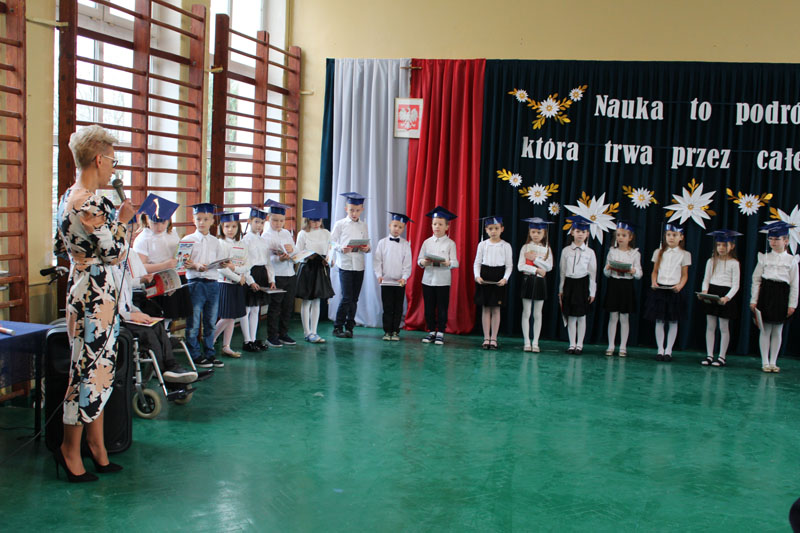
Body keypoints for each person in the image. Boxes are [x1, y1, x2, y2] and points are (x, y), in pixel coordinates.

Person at [53, 124, 135, 482]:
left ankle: (97, 447)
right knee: (88, 371)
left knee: (96, 369)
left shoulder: (68, 197)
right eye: (113, 161)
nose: (114, 169)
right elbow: (115, 253)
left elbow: (62, 247)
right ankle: (71, 450)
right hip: (95, 294)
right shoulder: (92, 201)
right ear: (99, 159)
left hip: (84, 287)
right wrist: (125, 222)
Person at [132, 193, 190, 331]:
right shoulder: (143, 239)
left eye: (163, 223)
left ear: (169, 221)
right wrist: (165, 265)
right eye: (155, 223)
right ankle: (161, 338)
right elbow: (141, 267)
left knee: (171, 314)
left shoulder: (172, 233)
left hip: (173, 278)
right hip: (154, 281)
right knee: (159, 315)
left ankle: (167, 336)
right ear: (147, 220)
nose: (159, 227)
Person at [183, 203, 228, 369]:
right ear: (193, 220)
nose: (202, 222)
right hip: (196, 284)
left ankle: (210, 353)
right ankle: (195, 354)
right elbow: (182, 262)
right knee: (194, 322)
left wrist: (225, 264)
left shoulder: (215, 241)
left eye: (206, 219)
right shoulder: (188, 240)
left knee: (210, 321)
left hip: (213, 284)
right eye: (199, 219)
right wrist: (195, 265)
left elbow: (220, 261)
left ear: (212, 221)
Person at [750, 221, 798, 373]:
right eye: (771, 239)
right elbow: (756, 280)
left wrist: (792, 304)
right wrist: (754, 299)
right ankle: (765, 362)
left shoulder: (791, 260)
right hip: (766, 294)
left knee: (777, 330)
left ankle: (773, 362)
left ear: (786, 241)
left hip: (781, 295)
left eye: (777, 239)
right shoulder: (764, 258)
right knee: (765, 329)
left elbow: (795, 284)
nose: (773, 242)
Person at [643, 223, 692, 362]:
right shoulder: (658, 252)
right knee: (659, 320)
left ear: (681, 237)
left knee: (673, 321)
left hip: (674, 290)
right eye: (668, 235)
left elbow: (685, 275)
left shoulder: (685, 254)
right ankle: (660, 349)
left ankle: (669, 350)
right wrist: (654, 282)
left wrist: (680, 286)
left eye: (674, 235)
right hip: (660, 290)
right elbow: (655, 271)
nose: (671, 237)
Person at [213, 212, 258, 358]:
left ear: (238, 227)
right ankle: (210, 340)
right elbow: (221, 268)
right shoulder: (220, 243)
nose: (230, 229)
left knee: (232, 317)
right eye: (227, 226)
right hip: (225, 283)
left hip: (239, 283)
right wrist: (238, 277)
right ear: (221, 227)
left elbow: (247, 265)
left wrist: (236, 270)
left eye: (233, 226)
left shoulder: (242, 244)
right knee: (226, 316)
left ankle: (226, 346)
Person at [697, 230, 741, 367]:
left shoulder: (734, 263)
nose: (721, 248)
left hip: (725, 295)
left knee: (723, 327)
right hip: (712, 293)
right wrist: (705, 291)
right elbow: (706, 279)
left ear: (732, 246)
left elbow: (736, 285)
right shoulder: (711, 261)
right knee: (710, 326)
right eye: (719, 245)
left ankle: (722, 356)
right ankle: (709, 355)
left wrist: (727, 297)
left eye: (725, 245)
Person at [330, 192, 370, 338]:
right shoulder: (340, 224)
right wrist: (341, 248)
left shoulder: (364, 225)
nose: (354, 213)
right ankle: (337, 326)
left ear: (362, 210)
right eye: (351, 210)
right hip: (345, 265)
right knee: (346, 297)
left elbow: (368, 244)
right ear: (346, 208)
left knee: (354, 299)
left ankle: (349, 327)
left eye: (357, 210)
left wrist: (367, 248)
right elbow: (331, 241)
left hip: (359, 266)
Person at [417, 206, 459, 345]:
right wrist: (423, 262)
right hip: (427, 280)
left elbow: (455, 262)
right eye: (435, 224)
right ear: (431, 225)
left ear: (447, 227)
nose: (437, 227)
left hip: (443, 281)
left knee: (442, 307)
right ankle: (431, 331)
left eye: (440, 224)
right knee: (429, 307)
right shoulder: (427, 242)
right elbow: (419, 260)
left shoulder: (450, 243)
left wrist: (448, 263)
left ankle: (440, 331)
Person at [295, 199, 335, 343]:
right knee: (307, 301)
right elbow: (297, 253)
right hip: (307, 268)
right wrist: (307, 255)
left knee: (317, 301)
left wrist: (330, 260)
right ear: (308, 220)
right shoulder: (303, 234)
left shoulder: (326, 233)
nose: (316, 223)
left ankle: (314, 331)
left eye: (319, 220)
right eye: (313, 221)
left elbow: (331, 250)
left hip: (321, 268)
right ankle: (307, 332)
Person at [603, 221, 643, 357]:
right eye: (618, 235)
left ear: (630, 237)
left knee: (624, 317)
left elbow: (639, 274)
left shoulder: (635, 254)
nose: (620, 238)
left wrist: (633, 271)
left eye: (624, 235)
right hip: (614, 284)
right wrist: (608, 268)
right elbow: (606, 273)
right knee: (613, 316)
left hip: (627, 286)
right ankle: (611, 345)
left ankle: (623, 347)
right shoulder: (612, 251)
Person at [559, 215, 597, 354]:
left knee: (581, 316)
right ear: (572, 232)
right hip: (569, 284)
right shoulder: (566, 251)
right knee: (571, 316)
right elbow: (562, 272)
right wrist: (561, 289)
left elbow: (593, 274)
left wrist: (592, 291)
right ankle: (572, 344)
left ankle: (580, 345)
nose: (580, 234)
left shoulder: (590, 253)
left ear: (587, 234)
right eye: (577, 231)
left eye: (583, 232)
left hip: (582, 284)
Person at [262, 199, 298, 347]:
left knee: (288, 306)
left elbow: (294, 251)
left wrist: (292, 251)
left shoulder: (286, 233)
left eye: (281, 221)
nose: (278, 223)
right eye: (275, 220)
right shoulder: (266, 236)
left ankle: (284, 334)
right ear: (269, 218)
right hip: (277, 275)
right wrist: (279, 258)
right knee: (275, 307)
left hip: (290, 273)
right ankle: (272, 336)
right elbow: (266, 259)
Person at [474, 216, 513, 350]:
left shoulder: (506, 246)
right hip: (485, 276)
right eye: (490, 229)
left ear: (502, 229)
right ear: (486, 230)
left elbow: (509, 265)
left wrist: (505, 278)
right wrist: (477, 276)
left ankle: (494, 338)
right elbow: (477, 263)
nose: (493, 231)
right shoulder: (482, 245)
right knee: (486, 308)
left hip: (499, 277)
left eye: (496, 228)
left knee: (496, 309)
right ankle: (486, 338)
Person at [373, 211, 413, 341]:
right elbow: (377, 261)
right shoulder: (382, 243)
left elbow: (407, 263)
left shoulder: (405, 244)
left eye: (400, 227)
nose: (397, 229)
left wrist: (404, 277)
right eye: (395, 226)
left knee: (398, 307)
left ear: (403, 229)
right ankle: (387, 331)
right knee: (387, 307)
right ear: (390, 225)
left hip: (399, 282)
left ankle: (395, 331)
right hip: (386, 282)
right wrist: (379, 275)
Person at [240, 207, 274, 352]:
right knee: (247, 308)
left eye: (262, 223)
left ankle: (253, 339)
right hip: (250, 274)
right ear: (249, 221)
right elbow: (244, 263)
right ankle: (246, 340)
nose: (259, 225)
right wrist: (250, 281)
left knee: (256, 308)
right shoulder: (245, 240)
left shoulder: (263, 240)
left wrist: (272, 279)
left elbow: (268, 262)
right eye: (256, 222)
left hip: (261, 274)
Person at [518, 217, 553, 352]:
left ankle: (536, 342)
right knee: (526, 312)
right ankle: (527, 341)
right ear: (529, 232)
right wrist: (536, 269)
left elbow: (549, 267)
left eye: (539, 232)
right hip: (528, 279)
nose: (536, 235)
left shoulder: (547, 248)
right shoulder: (525, 247)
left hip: (540, 282)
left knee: (538, 313)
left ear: (544, 233)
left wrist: (535, 259)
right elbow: (520, 266)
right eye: (533, 232)